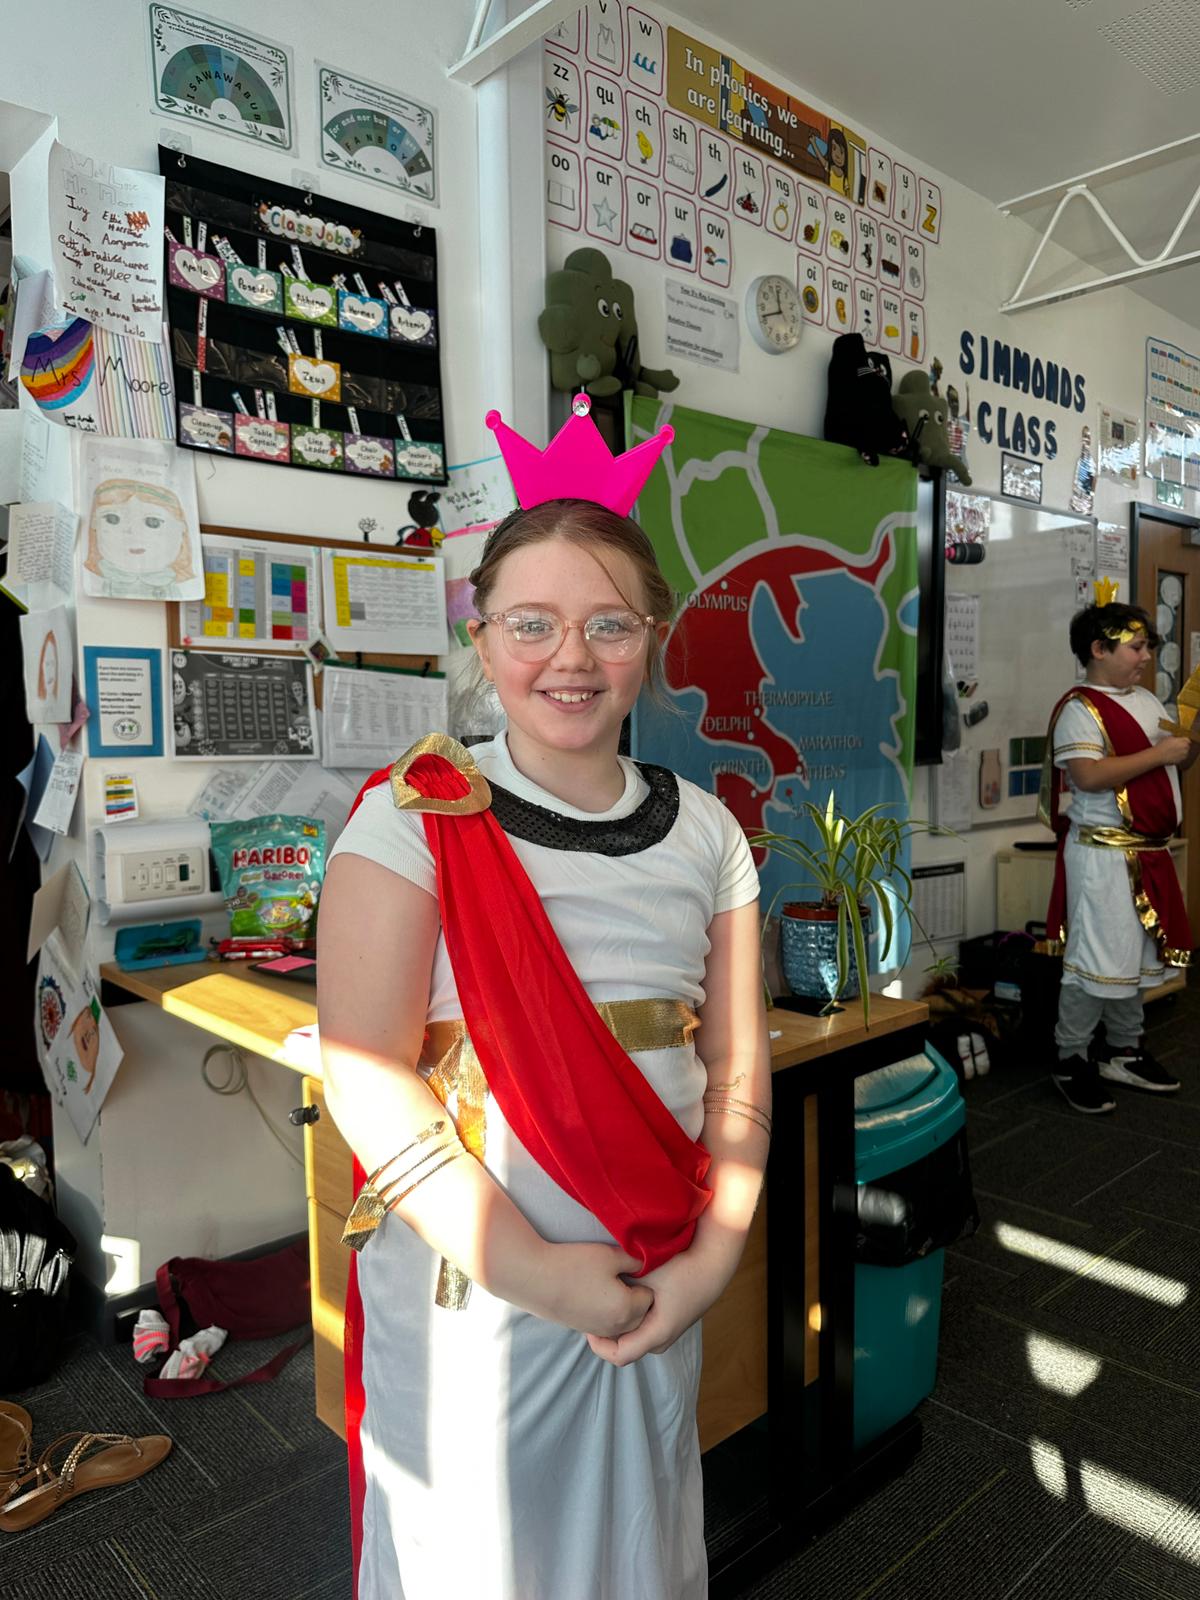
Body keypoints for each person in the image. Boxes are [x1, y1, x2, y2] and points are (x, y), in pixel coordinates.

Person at [317, 398, 770, 1600]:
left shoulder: (709, 832)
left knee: (638, 1547)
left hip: (654, 1263)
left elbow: (736, 1067)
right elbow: (366, 1069)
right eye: (533, 624)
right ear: (482, 638)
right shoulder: (413, 815)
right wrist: (533, 1268)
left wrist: (716, 1255)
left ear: (651, 639)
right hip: (480, 1288)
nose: (571, 658)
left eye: (608, 625)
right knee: (480, 1559)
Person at [1040, 592, 1196, 1114]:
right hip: (1103, 856)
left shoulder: (1147, 702)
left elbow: (1171, 766)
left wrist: (1187, 744)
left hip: (1148, 853)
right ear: (1099, 649)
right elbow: (1087, 776)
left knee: (1134, 956)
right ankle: (1071, 1056)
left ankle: (1123, 1050)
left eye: (1147, 646)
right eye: (1136, 647)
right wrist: (1160, 752)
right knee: (1094, 961)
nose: (1146, 656)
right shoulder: (1079, 709)